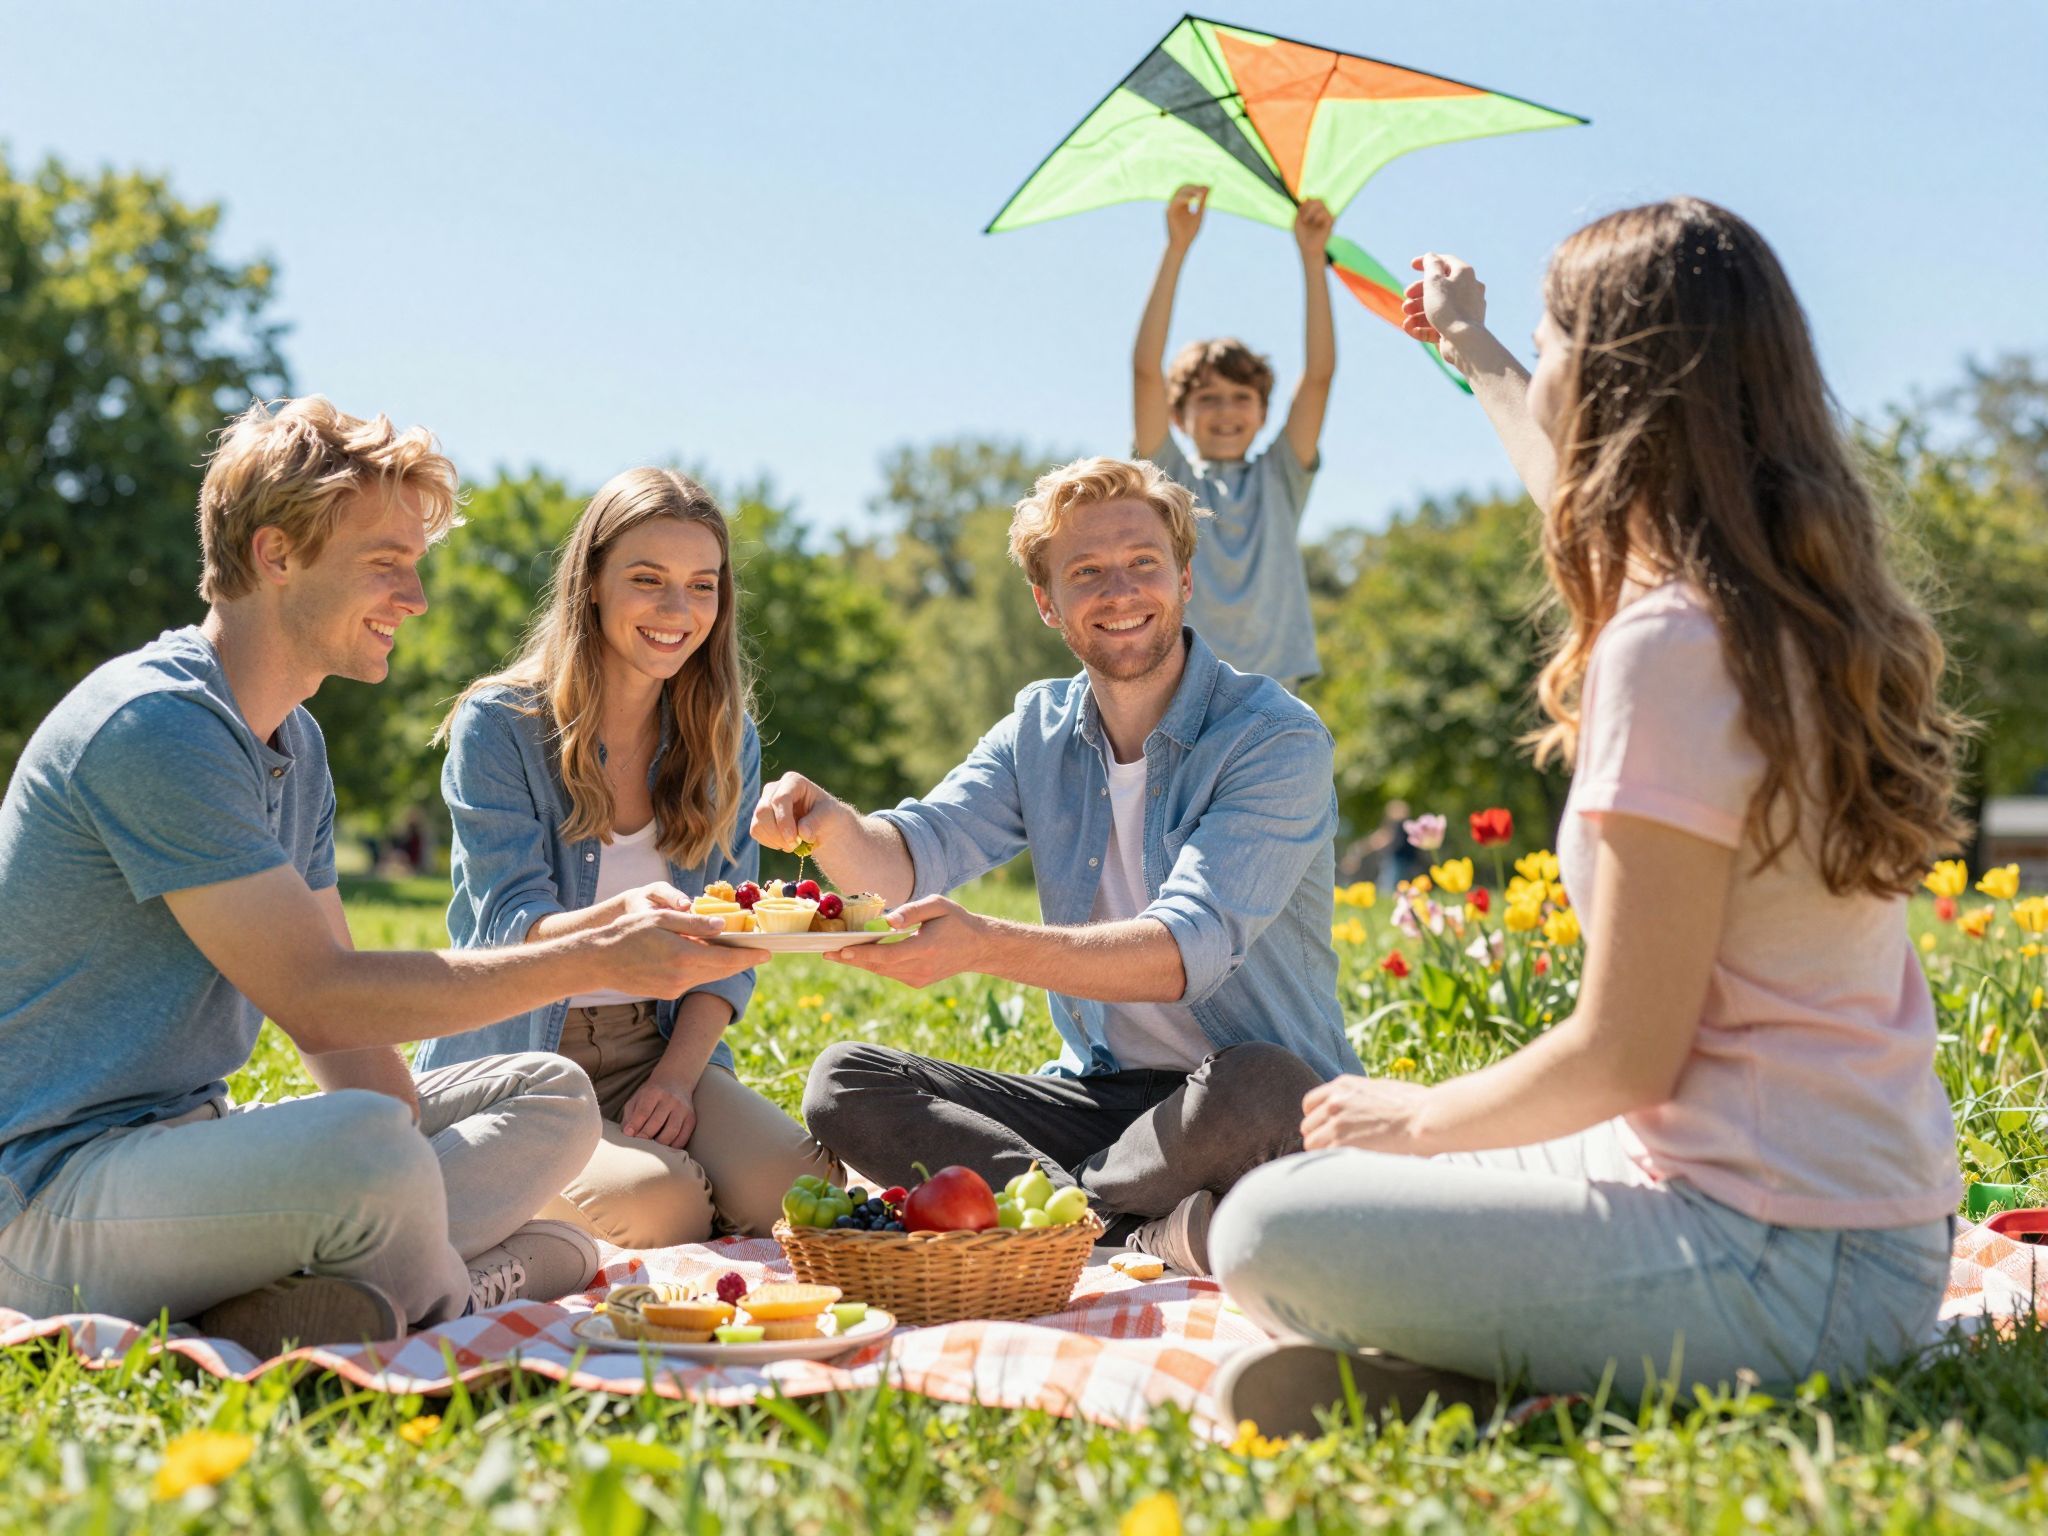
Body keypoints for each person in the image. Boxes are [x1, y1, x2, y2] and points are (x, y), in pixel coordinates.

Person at [1211, 199, 1969, 1433]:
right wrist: (1471, 343)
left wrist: (1418, 1117)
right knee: (1371, 1165)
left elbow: (1625, 1056)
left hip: (1781, 1264)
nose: (1541, 364)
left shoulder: (1667, 649)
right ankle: (1488, 1382)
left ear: (1618, 384)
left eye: (1554, 338)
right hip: (1863, 1229)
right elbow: (1563, 473)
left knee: (1268, 1222)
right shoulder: (1779, 604)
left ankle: (1525, 1376)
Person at [0, 399, 757, 1356]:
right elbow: (321, 1001)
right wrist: (585, 955)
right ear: (277, 555)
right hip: (49, 1196)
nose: (417, 597)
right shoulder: (158, 725)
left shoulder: (293, 740)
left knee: (552, 1094)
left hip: (190, 1144)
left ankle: (344, 1276)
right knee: (383, 1159)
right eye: (385, 564)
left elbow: (351, 1057)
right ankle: (462, 1280)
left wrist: (413, 1145)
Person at [761, 456, 1362, 1276]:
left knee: (1257, 1087)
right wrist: (830, 828)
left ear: (1184, 579)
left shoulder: (1272, 739)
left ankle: (1063, 1217)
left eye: (1143, 564)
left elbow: (1184, 950)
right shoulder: (1036, 729)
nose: (1119, 592)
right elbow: (908, 858)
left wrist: (981, 946)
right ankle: (1121, 1227)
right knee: (845, 1082)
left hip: (1240, 1104)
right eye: (1086, 573)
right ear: (1048, 603)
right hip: (1107, 1106)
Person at [422, 468, 835, 1246]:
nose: (678, 612)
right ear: (593, 586)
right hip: (526, 1049)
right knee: (663, 1205)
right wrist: (620, 921)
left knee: (802, 1193)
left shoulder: (722, 737)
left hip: (660, 1040)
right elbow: (512, 924)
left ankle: (641, 1171)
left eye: (701, 586)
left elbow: (731, 943)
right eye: (648, 580)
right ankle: (492, 1170)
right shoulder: (501, 725)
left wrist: (678, 1078)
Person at [1133, 184, 1335, 690]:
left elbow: (1318, 376)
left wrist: (1313, 259)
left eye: (1242, 397)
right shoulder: (1167, 480)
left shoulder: (1280, 474)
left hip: (1271, 689)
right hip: (1181, 689)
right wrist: (1175, 249)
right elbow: (1145, 373)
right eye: (1208, 398)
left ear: (1265, 412)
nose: (1226, 410)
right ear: (1179, 415)